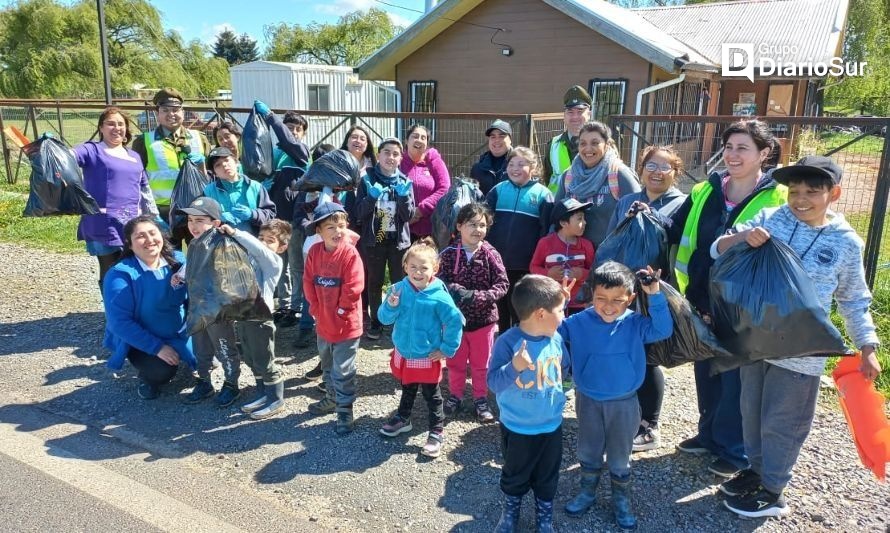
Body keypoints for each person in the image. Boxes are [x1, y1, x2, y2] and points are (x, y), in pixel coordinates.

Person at [712, 156, 881, 518]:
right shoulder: (773, 219)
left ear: (833, 194)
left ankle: (773, 490)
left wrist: (867, 346)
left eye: (812, 192)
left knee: (783, 422)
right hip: (755, 339)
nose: (801, 199)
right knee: (752, 413)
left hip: (801, 352)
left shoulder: (845, 243)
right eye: (794, 191)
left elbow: (853, 299)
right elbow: (718, 248)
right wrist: (744, 237)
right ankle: (757, 471)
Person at [666, 119, 787, 479]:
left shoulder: (778, 197)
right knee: (707, 370)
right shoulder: (707, 189)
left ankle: (735, 451)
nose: (733, 155)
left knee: (736, 378)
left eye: (743, 148)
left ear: (763, 154)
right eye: (729, 147)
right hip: (702, 295)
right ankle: (709, 436)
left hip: (744, 303)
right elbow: (678, 227)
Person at [558, 262, 672, 529]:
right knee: (588, 448)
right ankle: (587, 492)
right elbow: (552, 330)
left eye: (617, 300)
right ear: (591, 295)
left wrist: (654, 294)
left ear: (630, 298)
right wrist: (559, 303)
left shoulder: (635, 323)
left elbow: (664, 329)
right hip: (588, 400)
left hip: (625, 402)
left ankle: (621, 499)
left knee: (620, 453)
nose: (608, 306)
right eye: (601, 299)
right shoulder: (578, 322)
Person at [607, 145, 687, 452]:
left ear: (675, 173)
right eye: (650, 166)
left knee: (650, 354)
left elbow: (679, 244)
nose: (656, 172)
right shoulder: (628, 200)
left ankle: (649, 425)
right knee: (627, 350)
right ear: (641, 169)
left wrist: (653, 221)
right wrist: (628, 220)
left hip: (656, 288)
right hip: (625, 287)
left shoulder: (681, 204)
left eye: (664, 167)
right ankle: (630, 413)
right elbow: (613, 238)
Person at [487, 274, 571, 533]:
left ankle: (544, 518)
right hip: (518, 427)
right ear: (541, 314)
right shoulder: (508, 342)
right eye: (560, 310)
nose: (564, 315)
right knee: (515, 474)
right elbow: (493, 382)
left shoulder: (555, 337)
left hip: (550, 425)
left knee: (548, 475)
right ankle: (510, 512)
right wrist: (514, 367)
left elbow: (564, 368)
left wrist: (564, 391)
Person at [377, 238, 464, 458]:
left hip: (427, 355)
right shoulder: (398, 290)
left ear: (434, 268)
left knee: (431, 395)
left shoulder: (439, 296)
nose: (417, 272)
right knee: (407, 386)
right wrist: (390, 305)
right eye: (413, 267)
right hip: (405, 352)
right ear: (405, 266)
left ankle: (436, 430)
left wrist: (446, 348)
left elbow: (455, 322)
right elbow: (384, 319)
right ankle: (403, 418)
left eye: (423, 267)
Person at [103, 216, 194, 400]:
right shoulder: (120, 275)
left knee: (206, 360)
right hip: (143, 337)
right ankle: (147, 377)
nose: (150, 240)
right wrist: (157, 347)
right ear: (129, 244)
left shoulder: (178, 261)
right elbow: (119, 322)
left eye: (153, 233)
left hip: (179, 332)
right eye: (140, 236)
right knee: (161, 371)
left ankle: (184, 351)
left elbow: (193, 297)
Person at [437, 203, 509, 422]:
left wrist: (478, 296)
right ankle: (455, 395)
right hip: (454, 323)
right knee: (455, 362)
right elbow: (436, 281)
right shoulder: (448, 254)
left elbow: (502, 284)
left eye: (482, 225)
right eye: (472, 224)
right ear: (459, 226)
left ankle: (480, 398)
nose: (477, 229)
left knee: (481, 364)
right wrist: (453, 290)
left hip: (483, 321)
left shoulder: (491, 254)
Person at [215, 218, 291, 420]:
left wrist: (236, 233)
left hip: (259, 319)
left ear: (282, 247)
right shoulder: (248, 259)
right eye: (261, 238)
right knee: (250, 357)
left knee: (265, 359)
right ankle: (262, 394)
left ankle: (275, 399)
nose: (264, 243)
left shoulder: (273, 263)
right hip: (243, 317)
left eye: (271, 240)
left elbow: (259, 250)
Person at [75, 106, 158, 287]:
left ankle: (129, 307)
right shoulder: (92, 150)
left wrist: (153, 218)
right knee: (110, 268)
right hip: (101, 222)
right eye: (110, 124)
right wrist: (50, 149)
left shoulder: (134, 156)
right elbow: (69, 157)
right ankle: (113, 312)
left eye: (121, 124)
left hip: (131, 223)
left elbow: (144, 189)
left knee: (132, 266)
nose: (116, 128)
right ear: (101, 128)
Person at [303, 202, 365, 435]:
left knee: (343, 369)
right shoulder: (315, 253)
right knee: (327, 365)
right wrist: (316, 308)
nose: (338, 231)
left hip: (347, 325)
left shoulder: (350, 254)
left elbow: (354, 287)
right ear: (319, 231)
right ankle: (331, 398)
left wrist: (341, 311)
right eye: (330, 227)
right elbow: (308, 282)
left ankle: (345, 410)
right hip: (323, 322)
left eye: (341, 225)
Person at [174, 197, 242, 407]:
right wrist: (180, 274)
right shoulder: (195, 243)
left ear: (215, 223)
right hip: (197, 307)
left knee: (224, 347)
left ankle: (231, 384)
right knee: (200, 347)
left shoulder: (223, 245)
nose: (193, 226)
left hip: (217, 311)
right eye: (190, 220)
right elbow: (193, 265)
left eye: (200, 220)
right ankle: (204, 381)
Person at [253, 100, 312, 328]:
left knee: (296, 265)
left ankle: (296, 307)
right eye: (289, 127)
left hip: (294, 221)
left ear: (303, 134)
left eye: (297, 129)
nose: (293, 132)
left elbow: (286, 140)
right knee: (276, 262)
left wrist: (271, 117)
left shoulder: (301, 152)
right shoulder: (274, 154)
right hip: (273, 219)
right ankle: (284, 305)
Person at [353, 137, 416, 340]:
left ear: (401, 158)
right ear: (378, 155)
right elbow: (359, 214)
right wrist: (371, 197)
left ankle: (398, 320)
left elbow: (408, 216)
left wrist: (403, 197)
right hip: (374, 240)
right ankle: (376, 322)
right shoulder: (367, 180)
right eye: (386, 152)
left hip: (398, 241)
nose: (390, 157)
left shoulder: (405, 182)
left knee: (399, 282)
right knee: (375, 281)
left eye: (395, 153)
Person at [132, 88, 211, 247]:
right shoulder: (145, 142)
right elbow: (136, 179)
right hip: (163, 212)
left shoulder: (199, 138)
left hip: (196, 210)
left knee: (199, 258)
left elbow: (212, 172)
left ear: (183, 111)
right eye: (165, 110)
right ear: (157, 113)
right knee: (168, 260)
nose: (171, 114)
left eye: (175, 110)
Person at [486, 146, 553, 332]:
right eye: (512, 164)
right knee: (499, 306)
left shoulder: (542, 194)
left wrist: (539, 260)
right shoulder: (498, 190)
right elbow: (484, 221)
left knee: (519, 307)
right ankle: (502, 342)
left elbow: (546, 231)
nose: (515, 168)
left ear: (533, 167)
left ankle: (519, 340)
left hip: (525, 264)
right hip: (497, 262)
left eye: (521, 164)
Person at [554, 121, 641, 248]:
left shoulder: (618, 174)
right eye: (583, 143)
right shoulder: (569, 177)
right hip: (575, 257)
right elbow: (557, 217)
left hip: (610, 258)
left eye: (595, 143)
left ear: (606, 145)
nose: (588, 149)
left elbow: (638, 217)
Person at [530, 198, 595, 315]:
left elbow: (594, 271)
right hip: (551, 302)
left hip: (579, 304)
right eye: (580, 219)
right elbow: (534, 267)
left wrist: (582, 274)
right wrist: (548, 274)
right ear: (563, 223)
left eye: (584, 218)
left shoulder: (586, 245)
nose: (585, 222)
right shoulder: (545, 243)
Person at [202, 146, 276, 236]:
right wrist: (218, 219)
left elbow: (270, 215)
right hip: (221, 244)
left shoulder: (256, 187)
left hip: (253, 243)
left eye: (226, 160)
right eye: (218, 165)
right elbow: (201, 219)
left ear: (236, 162)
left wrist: (252, 214)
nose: (224, 165)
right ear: (215, 173)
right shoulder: (208, 192)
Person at [400, 124, 450, 240]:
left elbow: (444, 188)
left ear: (427, 143)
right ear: (407, 140)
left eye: (423, 138)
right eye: (415, 136)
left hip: (432, 230)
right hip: (404, 229)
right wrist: (406, 216)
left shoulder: (434, 161)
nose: (419, 140)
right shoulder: (399, 162)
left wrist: (420, 211)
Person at [542, 85, 592, 194]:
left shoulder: (601, 146)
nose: (575, 117)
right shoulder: (553, 145)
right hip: (559, 207)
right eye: (570, 112)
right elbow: (548, 178)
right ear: (564, 115)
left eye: (580, 111)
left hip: (589, 207)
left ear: (589, 114)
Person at [470, 119, 513, 195]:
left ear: (510, 140)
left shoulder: (521, 166)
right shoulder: (477, 168)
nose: (496, 140)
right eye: (493, 137)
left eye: (501, 136)